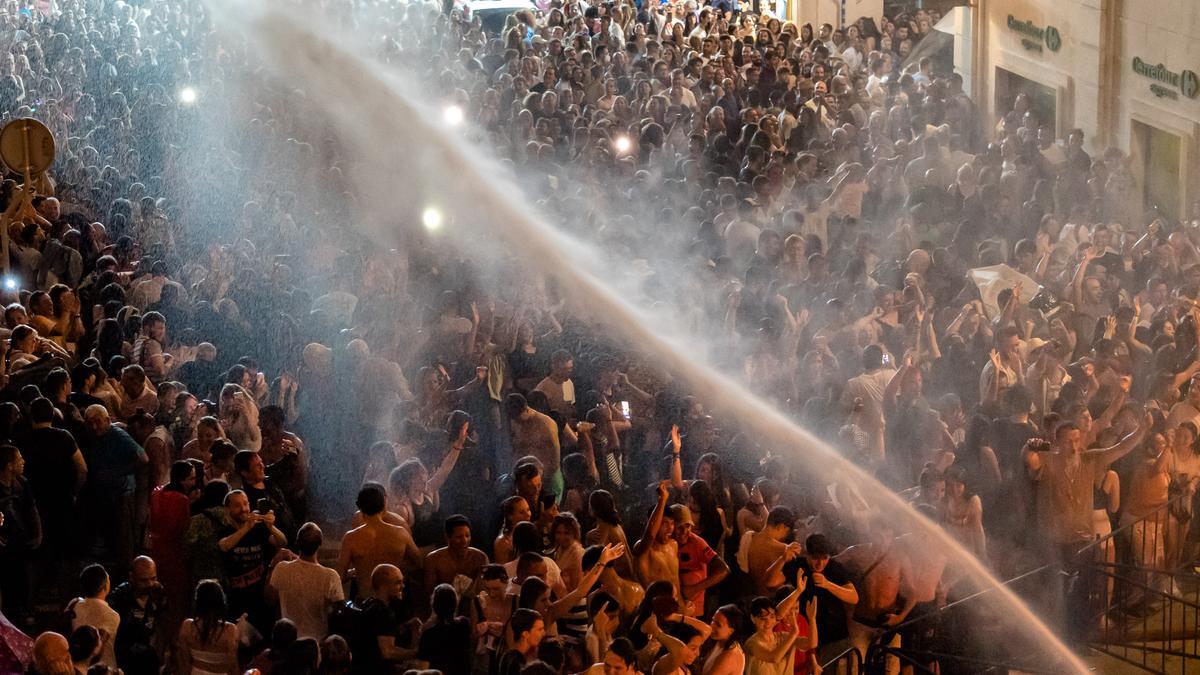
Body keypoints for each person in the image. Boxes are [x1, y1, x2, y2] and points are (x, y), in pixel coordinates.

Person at [216, 489, 288, 633]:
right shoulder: (224, 530)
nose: (243, 509)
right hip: (236, 600)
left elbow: (282, 542)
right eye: (237, 505)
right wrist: (246, 528)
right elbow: (224, 546)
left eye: (245, 503)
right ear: (227, 509)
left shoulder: (259, 529)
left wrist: (271, 527)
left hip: (261, 599)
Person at [338, 484, 423, 602]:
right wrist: (395, 569)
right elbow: (418, 563)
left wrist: (356, 571)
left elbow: (339, 577)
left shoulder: (351, 538)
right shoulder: (400, 533)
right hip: (394, 600)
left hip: (365, 602)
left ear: (360, 507)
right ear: (383, 505)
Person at [269, 522, 344, 640]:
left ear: (297, 542)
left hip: (289, 640)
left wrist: (272, 565)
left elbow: (269, 598)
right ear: (320, 544)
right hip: (317, 640)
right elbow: (339, 612)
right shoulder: (330, 576)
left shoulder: (281, 568)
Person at [107, 556, 168, 675]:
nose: (150, 584)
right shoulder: (120, 596)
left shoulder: (158, 594)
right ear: (132, 577)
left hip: (149, 661)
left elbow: (163, 625)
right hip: (126, 662)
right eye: (144, 580)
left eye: (153, 578)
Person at [354, 564, 419, 674]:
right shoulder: (382, 612)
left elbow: (378, 633)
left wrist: (406, 626)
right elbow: (388, 652)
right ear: (383, 586)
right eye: (398, 582)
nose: (403, 586)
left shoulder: (368, 604)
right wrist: (416, 653)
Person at [0, 443, 39, 622]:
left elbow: (32, 509)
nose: (23, 461)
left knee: (25, 577)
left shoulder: (22, 483)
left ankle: (25, 610)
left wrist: (38, 532)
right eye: (18, 459)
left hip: (21, 541)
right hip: (5, 544)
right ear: (9, 465)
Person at [175, 580, 238, 675]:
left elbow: (184, 663)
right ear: (221, 602)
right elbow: (233, 666)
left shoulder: (187, 626)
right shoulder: (230, 630)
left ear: (197, 602)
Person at [66, 564, 120, 669]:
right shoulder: (112, 616)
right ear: (105, 586)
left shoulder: (75, 604)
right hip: (103, 668)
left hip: (77, 666)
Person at [424, 514, 488, 594]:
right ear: (447, 537)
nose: (464, 540)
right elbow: (430, 593)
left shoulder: (480, 557)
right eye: (459, 537)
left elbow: (483, 591)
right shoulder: (433, 559)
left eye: (467, 536)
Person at [417, 584, 472, 674]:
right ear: (455, 603)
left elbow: (424, 670)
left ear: (434, 605)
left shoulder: (429, 635)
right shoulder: (464, 624)